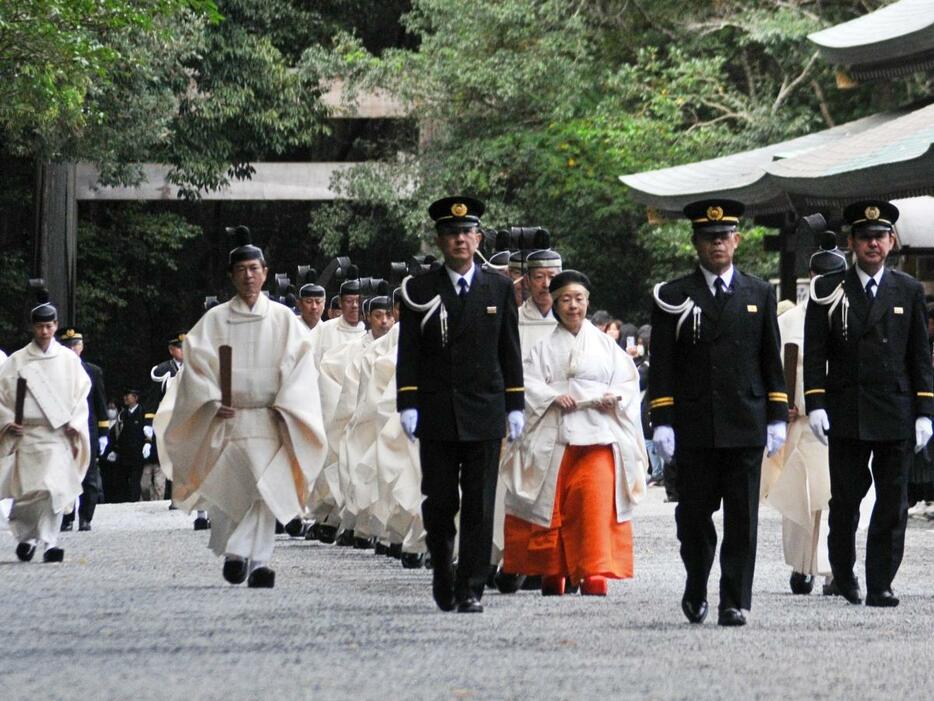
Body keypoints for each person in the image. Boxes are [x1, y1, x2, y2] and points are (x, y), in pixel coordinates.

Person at [159, 225, 327, 588]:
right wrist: (210, 399)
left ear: (265, 273)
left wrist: (288, 405)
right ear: (231, 276)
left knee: (265, 491)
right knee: (230, 488)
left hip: (268, 418)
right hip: (227, 419)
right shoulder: (215, 320)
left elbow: (301, 366)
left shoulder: (284, 320)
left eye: (255, 269)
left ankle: (260, 561)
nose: (249, 276)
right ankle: (236, 554)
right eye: (241, 270)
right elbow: (196, 367)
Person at [650, 198, 787, 627]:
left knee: (742, 518)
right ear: (695, 243)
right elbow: (663, 363)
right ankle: (696, 580)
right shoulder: (672, 295)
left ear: (737, 241)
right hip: (694, 424)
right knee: (692, 515)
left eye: (725, 237)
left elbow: (771, 360)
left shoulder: (759, 292)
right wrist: (662, 419)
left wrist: (778, 415)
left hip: (744, 421)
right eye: (709, 238)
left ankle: (733, 599)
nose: (718, 244)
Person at [397, 195, 524, 613]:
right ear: (439, 240)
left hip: (484, 410)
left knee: (479, 502)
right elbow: (409, 351)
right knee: (439, 500)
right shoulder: (419, 289)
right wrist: (408, 401)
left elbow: (510, 350)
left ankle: (470, 584)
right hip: (437, 409)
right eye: (451, 234)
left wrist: (515, 404)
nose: (460, 241)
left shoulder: (500, 287)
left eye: (467, 233)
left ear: (478, 237)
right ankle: (442, 568)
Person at [804, 200, 933, 608]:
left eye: (879, 237)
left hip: (895, 408)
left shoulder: (908, 290)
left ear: (892, 241)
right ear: (851, 242)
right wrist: (816, 402)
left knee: (893, 503)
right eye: (864, 237)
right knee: (845, 502)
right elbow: (814, 350)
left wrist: (926, 411)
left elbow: (920, 357)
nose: (872, 244)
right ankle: (843, 573)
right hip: (847, 409)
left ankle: (881, 582)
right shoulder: (828, 289)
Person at [502, 270, 647, 596]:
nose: (572, 306)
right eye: (565, 299)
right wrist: (552, 396)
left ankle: (593, 569)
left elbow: (628, 381)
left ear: (588, 302)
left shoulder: (607, 347)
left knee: (593, 502)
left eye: (578, 299)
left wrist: (615, 398)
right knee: (552, 503)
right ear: (554, 303)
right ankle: (553, 569)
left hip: (598, 433)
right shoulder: (541, 348)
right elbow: (526, 382)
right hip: (556, 434)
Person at [761, 233, 845, 596]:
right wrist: (779, 405)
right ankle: (801, 566)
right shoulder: (789, 320)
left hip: (838, 422)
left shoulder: (849, 316)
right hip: (799, 420)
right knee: (798, 495)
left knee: (834, 496)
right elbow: (772, 366)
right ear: (810, 276)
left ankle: (831, 569)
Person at [0, 289, 90, 562]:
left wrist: (75, 422)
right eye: (40, 326)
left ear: (56, 326)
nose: (45, 331)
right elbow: (2, 397)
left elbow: (80, 394)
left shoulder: (68, 360)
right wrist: (7, 423)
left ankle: (50, 544)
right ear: (33, 327)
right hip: (28, 434)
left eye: (49, 326)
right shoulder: (17, 360)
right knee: (29, 493)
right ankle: (26, 536)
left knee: (54, 489)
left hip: (57, 434)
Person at [493, 248, 561, 591]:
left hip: (558, 422)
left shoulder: (571, 320)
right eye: (539, 276)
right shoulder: (513, 318)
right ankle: (507, 559)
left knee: (552, 495)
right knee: (514, 491)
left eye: (552, 277)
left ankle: (546, 563)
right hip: (520, 418)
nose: (546, 284)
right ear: (526, 279)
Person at [58, 328, 108, 532]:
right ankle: (66, 517)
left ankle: (85, 517)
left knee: (89, 476)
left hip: (88, 429)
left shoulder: (93, 371)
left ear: (81, 347)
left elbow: (100, 403)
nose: (72, 349)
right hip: (63, 429)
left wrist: (104, 433)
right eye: (68, 346)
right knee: (65, 473)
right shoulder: (57, 370)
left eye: (75, 345)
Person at [104, 389, 146, 502]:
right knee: (122, 479)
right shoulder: (122, 414)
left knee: (135, 479)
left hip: (137, 452)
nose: (125, 398)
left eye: (128, 395)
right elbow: (117, 433)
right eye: (125, 395)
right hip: (124, 453)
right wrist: (115, 449)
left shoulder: (142, 412)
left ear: (135, 398)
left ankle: (134, 501)